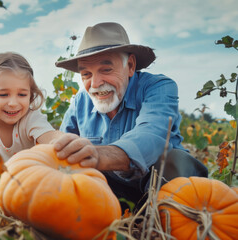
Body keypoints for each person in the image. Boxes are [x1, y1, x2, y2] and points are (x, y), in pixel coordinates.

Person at [52, 22, 208, 209]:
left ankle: (169, 219)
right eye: (86, 74)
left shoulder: (158, 87)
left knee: (175, 160)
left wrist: (97, 154)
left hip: (160, 184)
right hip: (113, 194)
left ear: (131, 65)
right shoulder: (80, 103)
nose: (95, 83)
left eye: (106, 70)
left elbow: (151, 134)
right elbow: (60, 148)